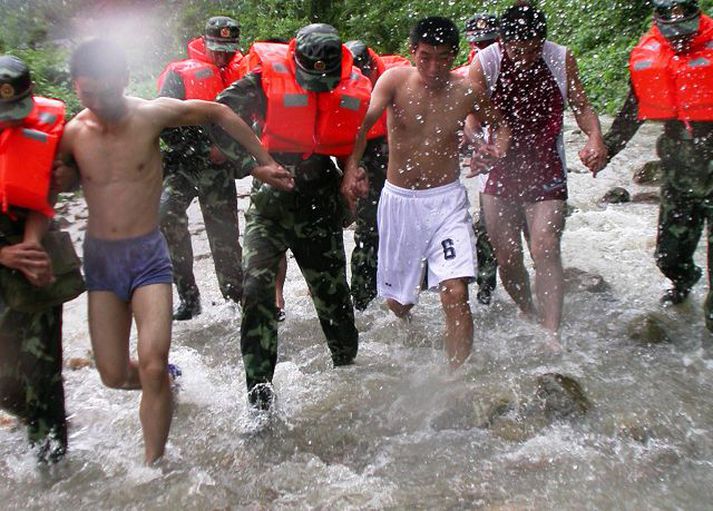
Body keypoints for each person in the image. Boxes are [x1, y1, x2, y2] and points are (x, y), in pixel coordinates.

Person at [55, 39, 283, 463]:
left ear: (122, 81)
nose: (98, 103)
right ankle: (169, 383)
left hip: (147, 256)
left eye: (105, 92)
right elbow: (43, 187)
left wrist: (261, 161)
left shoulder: (150, 114)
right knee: (113, 374)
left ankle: (152, 467)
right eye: (87, 95)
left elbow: (219, 111)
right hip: (102, 261)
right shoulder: (71, 134)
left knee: (152, 363)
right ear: (76, 88)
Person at [208, 24, 369, 409]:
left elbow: (354, 136)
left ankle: (351, 383)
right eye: (311, 79)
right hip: (270, 203)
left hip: (319, 201)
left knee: (334, 300)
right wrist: (253, 166)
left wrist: (351, 172)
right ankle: (259, 399)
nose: (317, 87)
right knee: (257, 293)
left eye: (324, 80)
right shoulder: (262, 81)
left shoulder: (350, 83)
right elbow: (214, 118)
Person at [342, 17, 511, 368]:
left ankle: (456, 381)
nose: (435, 67)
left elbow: (500, 125)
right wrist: (353, 167)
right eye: (426, 57)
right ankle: (407, 327)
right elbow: (366, 122)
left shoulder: (466, 91)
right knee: (399, 303)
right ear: (412, 51)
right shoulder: (393, 80)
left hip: (446, 201)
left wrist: (495, 150)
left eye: (445, 58)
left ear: (455, 56)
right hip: (400, 203)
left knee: (455, 291)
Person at [469, 4, 607, 350]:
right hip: (498, 169)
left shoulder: (559, 58)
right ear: (503, 40)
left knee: (544, 245)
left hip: (546, 165)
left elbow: (582, 105)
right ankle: (528, 311)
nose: (526, 55)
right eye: (518, 48)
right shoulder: (486, 62)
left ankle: (551, 331)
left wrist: (594, 138)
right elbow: (469, 115)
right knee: (507, 257)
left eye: (533, 47)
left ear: (542, 40)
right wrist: (475, 145)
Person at [602, 0, 713, 328]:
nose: (679, 38)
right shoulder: (649, 55)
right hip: (680, 172)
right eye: (672, 32)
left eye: (685, 30)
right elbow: (632, 110)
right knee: (668, 256)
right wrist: (606, 150)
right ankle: (683, 280)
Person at [0, 55, 68, 463]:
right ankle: (29, 418)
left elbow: (43, 191)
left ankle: (55, 467)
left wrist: (30, 245)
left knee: (44, 371)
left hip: (32, 249)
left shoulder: (44, 126)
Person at [157, 16, 245, 320]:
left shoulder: (241, 73)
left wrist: (229, 151)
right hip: (183, 164)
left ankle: (236, 298)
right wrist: (199, 149)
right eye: (217, 48)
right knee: (166, 213)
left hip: (219, 168)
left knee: (224, 234)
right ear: (203, 42)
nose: (223, 55)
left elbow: (254, 122)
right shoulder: (179, 75)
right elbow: (162, 120)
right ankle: (189, 297)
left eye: (228, 49)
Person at [344, 40, 409, 311]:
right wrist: (353, 169)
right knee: (368, 230)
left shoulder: (400, 74)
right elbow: (340, 133)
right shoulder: (342, 81)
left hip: (400, 148)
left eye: (366, 74)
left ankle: (409, 295)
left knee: (408, 228)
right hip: (364, 152)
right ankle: (363, 304)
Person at [457, 13, 501, 305]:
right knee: (486, 229)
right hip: (484, 163)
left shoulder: (516, 65)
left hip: (518, 157)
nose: (484, 47)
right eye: (479, 42)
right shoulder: (464, 74)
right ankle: (486, 292)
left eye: (489, 41)